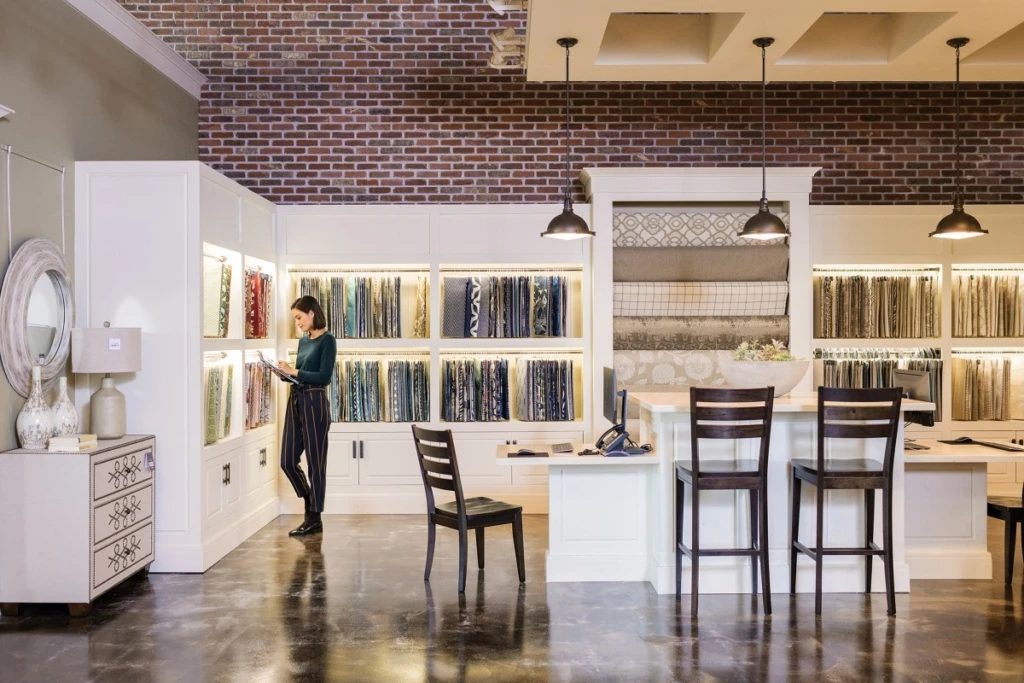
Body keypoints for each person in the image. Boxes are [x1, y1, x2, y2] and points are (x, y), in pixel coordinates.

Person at [277, 295, 336, 536]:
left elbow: (323, 377)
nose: (298, 323)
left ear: (312, 313)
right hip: (296, 400)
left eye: (299, 317)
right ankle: (311, 500)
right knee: (287, 460)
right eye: (295, 319)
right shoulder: (303, 342)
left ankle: (314, 517)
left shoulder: (327, 340)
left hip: (314, 401)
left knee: (316, 463)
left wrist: (295, 371)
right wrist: (285, 373)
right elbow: (300, 373)